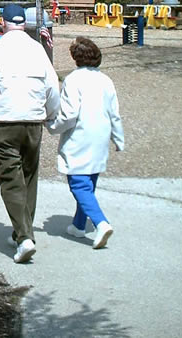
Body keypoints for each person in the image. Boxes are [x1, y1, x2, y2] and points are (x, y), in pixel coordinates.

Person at [0, 4, 60, 263]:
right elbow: (52, 87)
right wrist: (51, 116)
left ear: (3, 23)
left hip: (5, 123)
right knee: (29, 177)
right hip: (33, 121)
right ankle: (23, 230)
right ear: (24, 24)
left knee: (10, 179)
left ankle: (24, 238)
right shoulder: (37, 49)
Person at [46, 36, 124, 249]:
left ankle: (100, 222)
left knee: (79, 184)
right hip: (100, 135)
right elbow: (114, 113)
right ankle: (79, 225)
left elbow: (69, 114)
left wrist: (52, 126)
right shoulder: (106, 80)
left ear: (75, 58)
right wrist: (118, 138)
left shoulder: (73, 80)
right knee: (89, 181)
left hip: (80, 136)